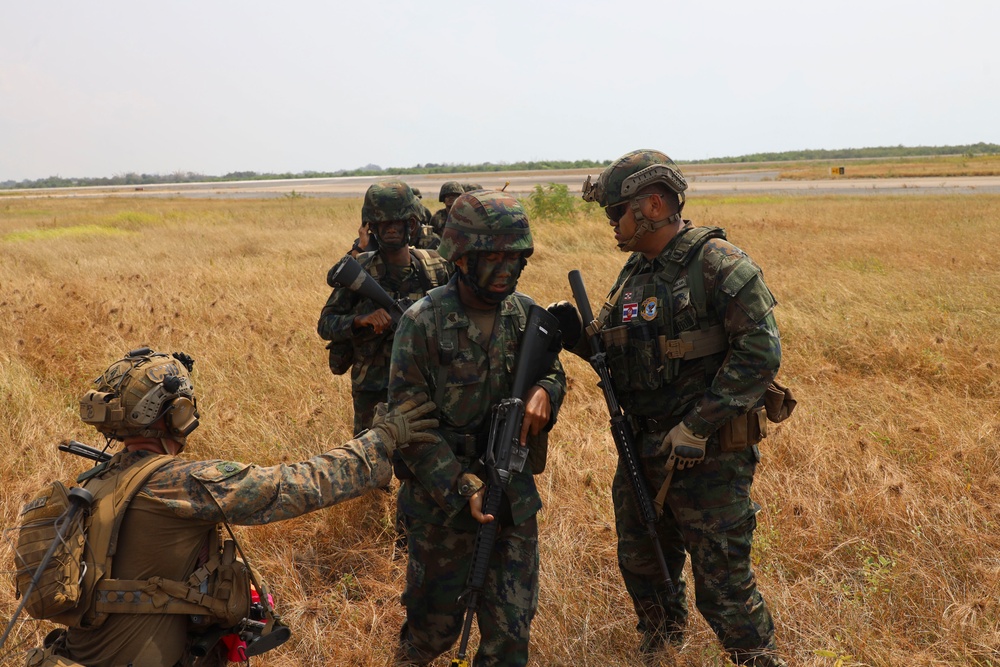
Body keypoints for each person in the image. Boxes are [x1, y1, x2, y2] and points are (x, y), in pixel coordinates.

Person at [18, 347, 436, 667]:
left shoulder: (95, 481)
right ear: (177, 415)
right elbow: (296, 485)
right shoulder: (177, 482)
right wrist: (379, 441)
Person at [553, 150, 787, 666]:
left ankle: (758, 658)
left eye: (616, 213)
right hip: (642, 445)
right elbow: (619, 351)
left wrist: (698, 424)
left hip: (707, 457)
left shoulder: (719, 263)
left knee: (722, 581)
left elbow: (761, 353)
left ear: (652, 205)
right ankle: (661, 642)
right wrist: (578, 339)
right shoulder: (635, 271)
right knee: (643, 559)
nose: (611, 225)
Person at [388, 190, 566, 666]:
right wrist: (462, 485)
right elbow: (409, 425)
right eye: (493, 256)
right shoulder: (421, 322)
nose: (507, 269)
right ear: (461, 257)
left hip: (513, 496)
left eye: (516, 257)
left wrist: (546, 391)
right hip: (442, 503)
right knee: (432, 632)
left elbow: (551, 370)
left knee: (510, 631)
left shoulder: (526, 316)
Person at [318, 180, 452, 436]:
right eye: (383, 224)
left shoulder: (434, 268)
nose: (390, 229)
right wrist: (361, 320)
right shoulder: (359, 272)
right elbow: (325, 324)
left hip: (423, 384)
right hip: (373, 388)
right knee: (369, 464)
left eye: (396, 222)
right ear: (373, 227)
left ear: (410, 225)